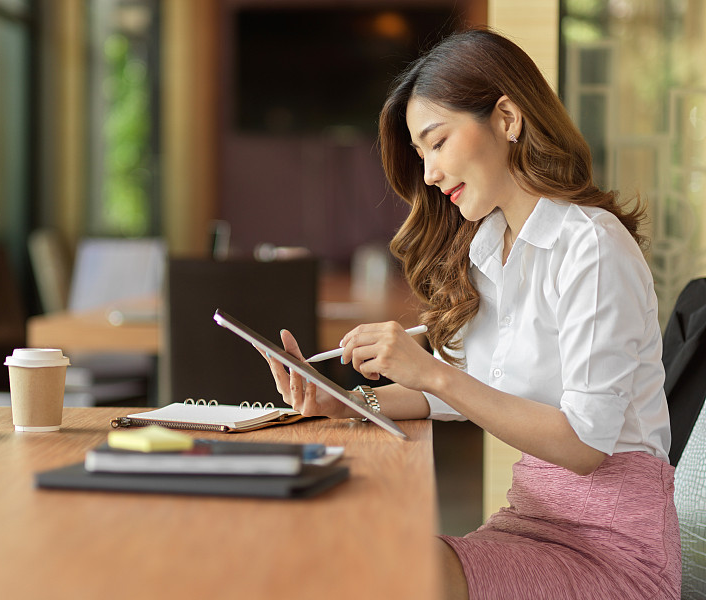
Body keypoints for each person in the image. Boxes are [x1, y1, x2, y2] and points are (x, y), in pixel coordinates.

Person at [262, 27, 680, 599]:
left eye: (437, 142)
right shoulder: (488, 246)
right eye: (420, 154)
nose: (429, 174)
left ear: (507, 118)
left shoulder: (592, 246)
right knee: (361, 546)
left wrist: (430, 369)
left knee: (396, 563)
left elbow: (585, 444)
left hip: (613, 550)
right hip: (529, 522)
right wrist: (348, 401)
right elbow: (461, 389)